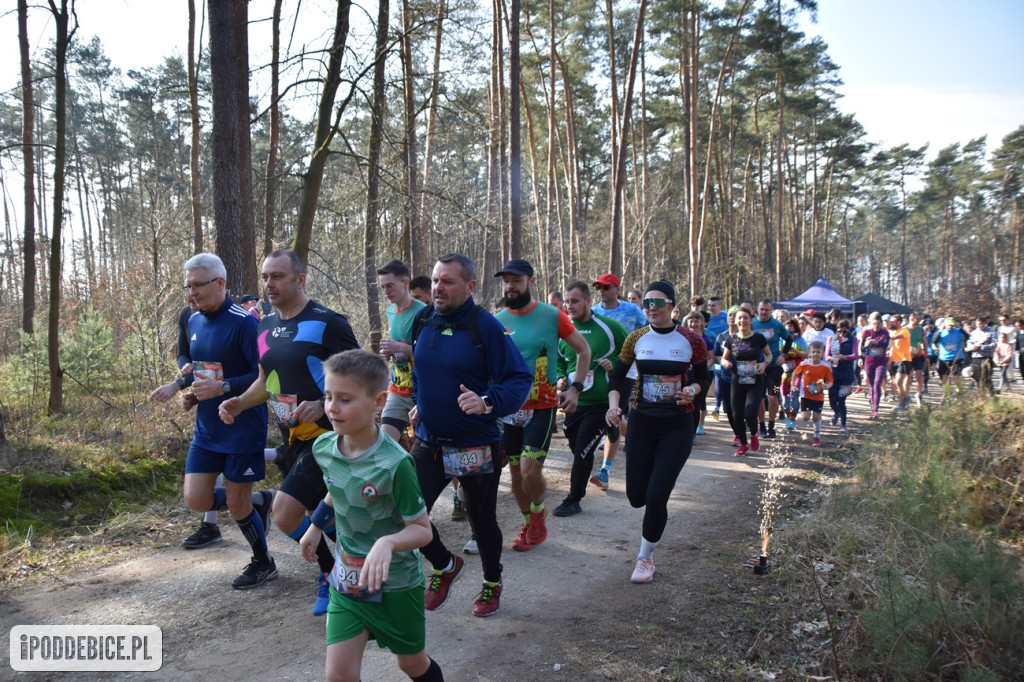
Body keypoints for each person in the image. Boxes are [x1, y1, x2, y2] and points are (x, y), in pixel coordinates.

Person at [219, 249, 359, 613]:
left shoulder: (329, 323)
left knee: (284, 513)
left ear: (300, 279)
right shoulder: (264, 326)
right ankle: (341, 571)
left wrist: (325, 403)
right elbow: (266, 381)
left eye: (278, 276)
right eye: (265, 276)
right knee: (320, 515)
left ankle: (333, 572)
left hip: (328, 438)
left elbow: (360, 378)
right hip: (291, 438)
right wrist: (240, 402)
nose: (269, 284)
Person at [300, 349, 444, 682]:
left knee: (411, 665)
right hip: (348, 581)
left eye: (345, 399)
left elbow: (422, 530)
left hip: (396, 584)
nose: (332, 407)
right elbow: (339, 489)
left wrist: (389, 543)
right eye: (328, 396)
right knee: (339, 675)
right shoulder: (324, 448)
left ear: (379, 401)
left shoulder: (396, 464)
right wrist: (314, 527)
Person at [410, 253, 532, 617]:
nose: (438, 288)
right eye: (435, 280)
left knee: (482, 521)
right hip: (429, 440)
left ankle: (492, 582)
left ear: (470, 286)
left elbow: (519, 378)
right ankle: (445, 565)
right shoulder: (423, 319)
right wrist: (420, 401)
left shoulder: (485, 326)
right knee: (407, 512)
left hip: (475, 443)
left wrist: (488, 401)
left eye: (447, 281)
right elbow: (421, 370)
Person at [179, 253, 273, 589]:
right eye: (187, 286)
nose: (191, 293)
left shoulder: (245, 322)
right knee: (196, 499)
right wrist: (192, 394)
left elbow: (262, 375)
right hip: (206, 428)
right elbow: (200, 368)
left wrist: (223, 387)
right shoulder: (192, 321)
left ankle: (264, 562)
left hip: (241, 425)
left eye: (197, 285)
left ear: (220, 283)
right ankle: (259, 502)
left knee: (236, 504)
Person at [606, 281, 709, 583]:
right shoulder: (636, 338)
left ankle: (644, 557)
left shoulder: (692, 340)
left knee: (656, 495)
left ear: (671, 306)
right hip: (642, 422)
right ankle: (646, 546)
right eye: (647, 303)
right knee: (637, 496)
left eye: (658, 303)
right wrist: (614, 407)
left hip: (677, 424)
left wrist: (692, 388)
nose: (651, 308)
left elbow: (704, 377)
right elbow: (616, 380)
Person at [495, 258, 591, 552]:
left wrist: (576, 387)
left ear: (531, 282)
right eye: (506, 281)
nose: (511, 286)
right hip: (509, 408)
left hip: (542, 406)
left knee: (529, 470)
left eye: (517, 280)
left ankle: (538, 508)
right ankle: (529, 521)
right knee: (513, 474)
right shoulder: (497, 320)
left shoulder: (552, 315)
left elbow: (583, 350)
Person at [552, 281, 627, 517]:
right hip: (573, 403)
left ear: (588, 301)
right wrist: (562, 378)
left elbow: (628, 357)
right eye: (567, 301)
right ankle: (612, 432)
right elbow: (560, 360)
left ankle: (573, 499)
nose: (569, 306)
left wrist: (613, 362)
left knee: (583, 451)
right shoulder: (563, 328)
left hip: (600, 402)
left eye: (575, 301)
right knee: (577, 448)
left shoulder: (610, 327)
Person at [591, 273, 646, 490]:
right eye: (599, 288)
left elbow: (645, 332)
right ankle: (636, 436)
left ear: (616, 288)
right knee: (611, 415)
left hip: (627, 369)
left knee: (613, 416)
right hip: (600, 369)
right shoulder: (594, 311)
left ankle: (605, 469)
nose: (602, 292)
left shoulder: (632, 310)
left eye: (606, 287)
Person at [377, 259, 428, 446]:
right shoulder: (390, 311)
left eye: (389, 286)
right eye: (383, 287)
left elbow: (432, 353)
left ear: (405, 283)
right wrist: (388, 354)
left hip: (423, 391)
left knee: (431, 453)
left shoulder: (423, 312)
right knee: (384, 445)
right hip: (397, 390)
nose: (386, 292)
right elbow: (398, 349)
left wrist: (399, 348)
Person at [721, 308, 771, 456]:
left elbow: (769, 355)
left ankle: (754, 434)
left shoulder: (758, 338)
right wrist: (725, 364)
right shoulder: (731, 339)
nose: (742, 321)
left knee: (750, 413)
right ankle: (743, 444)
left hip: (756, 379)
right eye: (739, 318)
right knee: (736, 414)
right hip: (738, 380)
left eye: (745, 318)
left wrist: (764, 364)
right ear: (736, 321)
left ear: (751, 320)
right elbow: (724, 358)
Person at [752, 299, 788, 438]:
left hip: (774, 366)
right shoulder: (753, 323)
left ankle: (771, 426)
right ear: (757, 309)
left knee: (773, 398)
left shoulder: (777, 325)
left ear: (771, 310)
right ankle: (762, 427)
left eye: (767, 310)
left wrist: (783, 355)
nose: (764, 312)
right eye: (762, 309)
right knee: (760, 399)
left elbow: (789, 339)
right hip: (757, 366)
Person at [792, 341, 834, 446]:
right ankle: (816, 418)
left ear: (822, 353)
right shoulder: (804, 364)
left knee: (815, 416)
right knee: (805, 417)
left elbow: (830, 381)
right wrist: (793, 385)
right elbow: (795, 374)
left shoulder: (825, 367)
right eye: (813, 352)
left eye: (818, 352)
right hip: (805, 395)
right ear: (809, 353)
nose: (815, 354)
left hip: (818, 396)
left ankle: (816, 437)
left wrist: (826, 386)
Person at [683, 312, 715, 439]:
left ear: (702, 323)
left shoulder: (707, 339)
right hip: (685, 376)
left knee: (695, 405)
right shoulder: (682, 337)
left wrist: (701, 368)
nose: (694, 324)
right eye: (691, 321)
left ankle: (693, 432)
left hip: (700, 377)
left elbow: (712, 358)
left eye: (697, 321)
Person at [825, 320, 858, 434]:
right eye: (840, 331)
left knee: (841, 399)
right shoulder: (831, 338)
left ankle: (843, 425)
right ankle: (836, 412)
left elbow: (855, 355)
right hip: (833, 374)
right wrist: (832, 359)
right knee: (832, 400)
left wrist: (844, 357)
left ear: (848, 330)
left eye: (845, 331)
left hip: (847, 375)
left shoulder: (852, 339)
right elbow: (826, 355)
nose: (842, 334)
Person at [713, 306, 739, 440]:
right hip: (726, 377)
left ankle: (750, 428)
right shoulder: (721, 337)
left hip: (744, 378)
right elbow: (715, 356)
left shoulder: (748, 336)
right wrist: (723, 361)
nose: (732, 318)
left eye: (735, 315)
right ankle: (737, 434)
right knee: (729, 408)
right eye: (730, 315)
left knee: (741, 407)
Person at [860, 312, 890, 418]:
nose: (876, 326)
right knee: (871, 386)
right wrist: (861, 356)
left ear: (882, 323)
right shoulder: (866, 332)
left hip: (881, 362)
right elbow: (862, 348)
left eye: (878, 324)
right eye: (874, 324)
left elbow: (885, 344)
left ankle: (876, 409)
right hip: (869, 362)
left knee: (877, 384)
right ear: (871, 323)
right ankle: (872, 409)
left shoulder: (885, 333)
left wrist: (875, 342)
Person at [780, 318, 808, 430]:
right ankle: (786, 413)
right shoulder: (781, 341)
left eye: (791, 327)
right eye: (786, 328)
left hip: (797, 373)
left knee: (794, 395)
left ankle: (792, 419)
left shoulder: (800, 340)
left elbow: (806, 355)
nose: (789, 330)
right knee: (782, 394)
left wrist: (794, 351)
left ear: (795, 329)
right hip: (785, 373)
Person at [932, 317, 966, 402]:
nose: (950, 327)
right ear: (945, 325)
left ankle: (959, 393)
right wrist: (940, 330)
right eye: (948, 325)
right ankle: (947, 394)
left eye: (951, 325)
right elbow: (934, 341)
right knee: (944, 377)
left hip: (957, 357)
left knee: (956, 376)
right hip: (944, 358)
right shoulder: (941, 332)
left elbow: (967, 337)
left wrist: (961, 329)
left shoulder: (958, 331)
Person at [965, 316, 997, 397]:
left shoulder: (991, 332)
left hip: (986, 357)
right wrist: (971, 348)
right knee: (977, 377)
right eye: (978, 324)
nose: (979, 326)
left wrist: (981, 347)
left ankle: (992, 394)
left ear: (985, 323)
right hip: (976, 357)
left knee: (986, 377)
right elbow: (969, 342)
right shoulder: (974, 333)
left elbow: (994, 344)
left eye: (981, 324)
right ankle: (981, 395)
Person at [887, 314, 912, 410]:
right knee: (896, 383)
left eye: (893, 321)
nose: (891, 323)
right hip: (894, 360)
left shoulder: (904, 331)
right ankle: (904, 400)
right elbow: (891, 347)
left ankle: (904, 400)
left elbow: (898, 336)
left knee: (898, 382)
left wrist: (886, 336)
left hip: (904, 359)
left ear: (899, 322)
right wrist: (890, 360)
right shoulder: (893, 333)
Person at [906, 312, 927, 405]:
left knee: (919, 375)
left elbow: (924, 342)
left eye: (919, 319)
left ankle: (919, 394)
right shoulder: (905, 329)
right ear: (911, 318)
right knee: (908, 376)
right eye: (917, 319)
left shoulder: (920, 329)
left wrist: (926, 354)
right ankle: (907, 395)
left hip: (919, 355)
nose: (919, 320)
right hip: (907, 356)